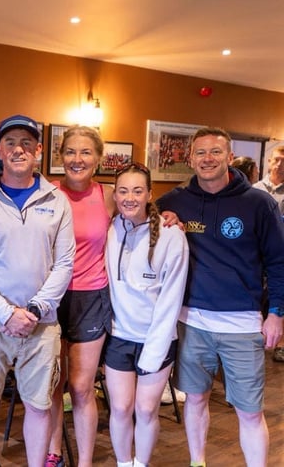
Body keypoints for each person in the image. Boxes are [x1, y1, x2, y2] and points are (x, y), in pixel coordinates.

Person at [157, 127, 284, 467]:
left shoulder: (259, 203)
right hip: (191, 321)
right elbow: (140, 230)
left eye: (215, 152)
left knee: (249, 411)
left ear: (229, 157)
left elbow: (278, 260)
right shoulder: (174, 201)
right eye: (200, 153)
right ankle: (197, 462)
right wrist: (160, 222)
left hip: (242, 325)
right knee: (195, 399)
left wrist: (277, 313)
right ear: (190, 159)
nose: (207, 159)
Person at [0, 114, 75, 466]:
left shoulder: (58, 201)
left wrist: (35, 310)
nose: (18, 149)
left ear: (39, 150)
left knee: (40, 406)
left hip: (42, 324)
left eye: (27, 143)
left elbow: (64, 264)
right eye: (10, 142)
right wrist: (7, 312)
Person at [104, 163, 189, 467]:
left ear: (150, 194)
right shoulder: (111, 227)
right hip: (119, 337)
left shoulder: (171, 236)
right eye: (123, 190)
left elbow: (171, 301)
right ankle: (124, 463)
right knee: (120, 408)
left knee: (146, 409)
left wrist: (153, 353)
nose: (130, 197)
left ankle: (141, 464)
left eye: (138, 191)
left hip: (157, 339)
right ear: (114, 194)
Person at [47, 126, 115, 467]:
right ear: (61, 157)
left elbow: (145, 219)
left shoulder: (110, 195)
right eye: (71, 152)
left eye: (86, 152)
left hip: (91, 298)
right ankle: (53, 453)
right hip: (51, 299)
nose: (78, 159)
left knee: (81, 387)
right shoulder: (46, 193)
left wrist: (169, 217)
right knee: (52, 386)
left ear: (98, 158)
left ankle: (85, 461)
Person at [253, 146, 284, 361]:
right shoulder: (254, 190)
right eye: (277, 160)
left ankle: (279, 343)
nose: (279, 165)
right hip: (256, 255)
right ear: (269, 162)